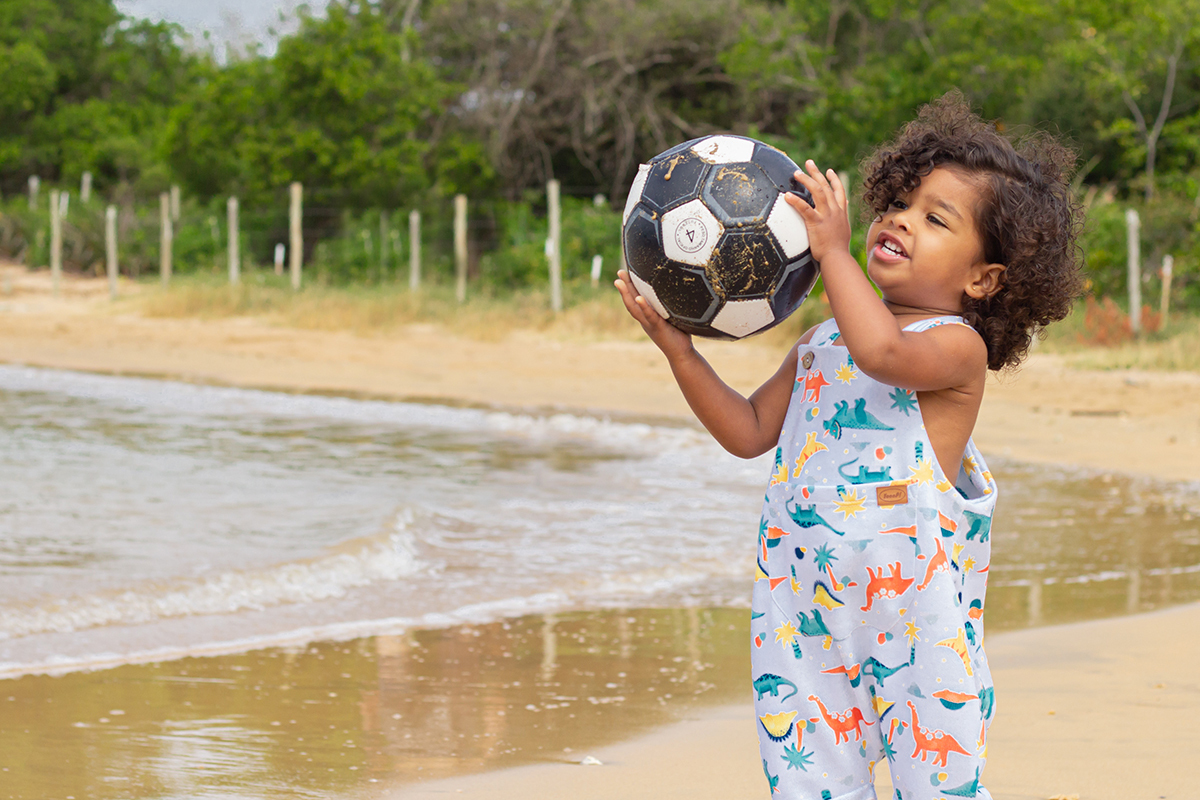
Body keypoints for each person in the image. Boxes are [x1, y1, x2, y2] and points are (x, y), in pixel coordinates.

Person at [614, 92, 1083, 799]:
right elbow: (746, 433)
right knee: (812, 779)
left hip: (914, 625)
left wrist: (832, 250)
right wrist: (680, 353)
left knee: (937, 782)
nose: (899, 219)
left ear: (982, 279)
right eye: (900, 202)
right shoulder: (820, 343)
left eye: (935, 218)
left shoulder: (955, 349)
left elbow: (883, 352)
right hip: (802, 609)